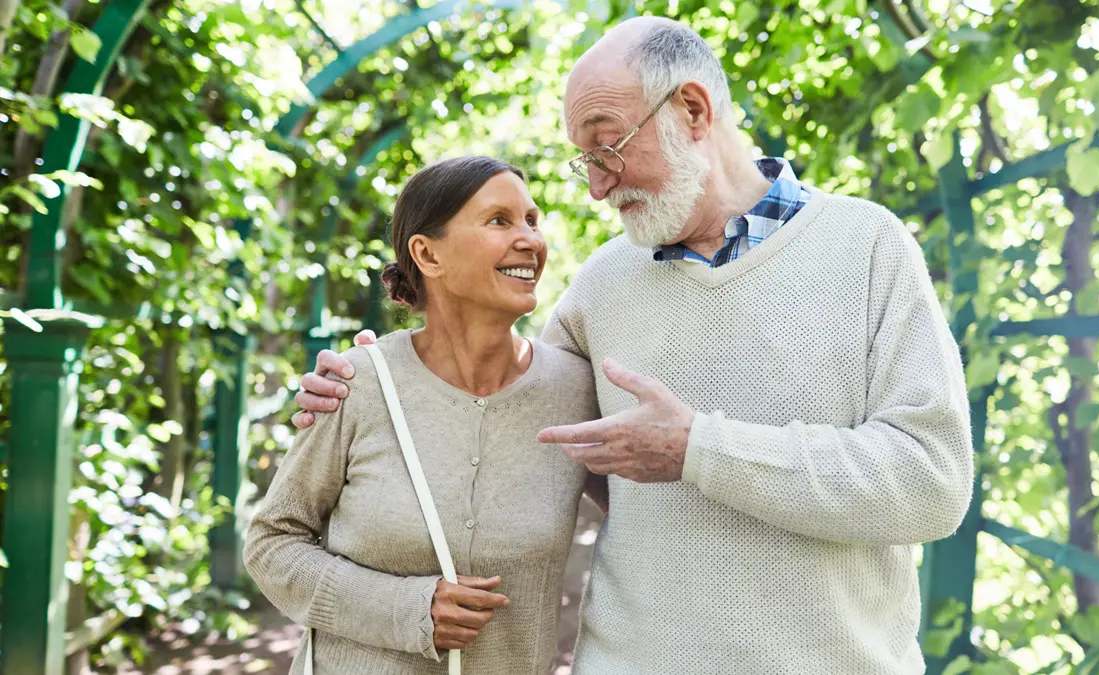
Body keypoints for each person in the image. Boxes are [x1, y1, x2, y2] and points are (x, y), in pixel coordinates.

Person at [292, 17, 974, 675]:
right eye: (584, 159)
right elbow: (501, 411)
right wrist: (378, 382)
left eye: (608, 147)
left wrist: (698, 449)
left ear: (693, 110)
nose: (595, 185)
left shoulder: (867, 247)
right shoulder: (602, 282)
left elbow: (932, 482)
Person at [244, 156, 604, 674]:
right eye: (499, 220)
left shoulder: (577, 389)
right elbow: (272, 543)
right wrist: (403, 610)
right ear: (427, 254)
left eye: (532, 220)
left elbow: (646, 512)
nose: (531, 240)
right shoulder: (357, 384)